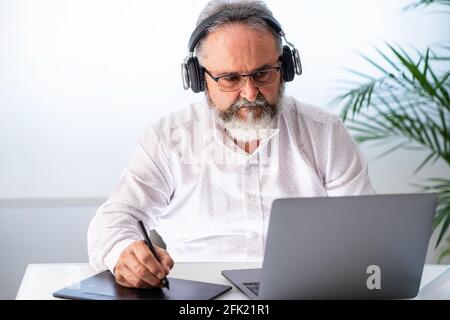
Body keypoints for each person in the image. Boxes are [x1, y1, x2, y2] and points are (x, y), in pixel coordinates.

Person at [87, 0, 375, 289]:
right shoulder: (169, 139)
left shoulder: (325, 134)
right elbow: (112, 221)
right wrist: (123, 253)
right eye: (230, 78)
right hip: (198, 296)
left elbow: (367, 231)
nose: (250, 94)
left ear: (285, 67)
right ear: (199, 78)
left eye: (263, 73)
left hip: (306, 290)